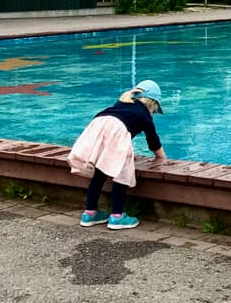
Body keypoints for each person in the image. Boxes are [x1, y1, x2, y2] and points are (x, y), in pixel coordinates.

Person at [67, 80, 167, 230]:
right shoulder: (144, 115)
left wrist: (124, 151)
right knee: (121, 174)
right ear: (152, 103)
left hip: (98, 125)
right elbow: (153, 141)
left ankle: (89, 213)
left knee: (99, 173)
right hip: (115, 130)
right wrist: (162, 159)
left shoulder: (121, 103)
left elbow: (117, 129)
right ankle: (117, 217)